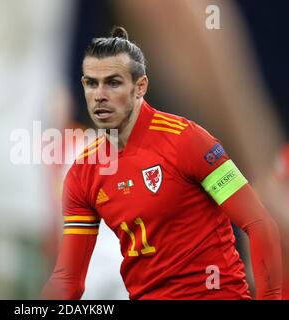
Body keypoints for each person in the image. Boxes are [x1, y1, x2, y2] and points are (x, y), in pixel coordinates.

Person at [41, 26, 282, 300]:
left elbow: (260, 222)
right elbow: (69, 280)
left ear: (139, 86)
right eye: (92, 84)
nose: (101, 96)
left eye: (114, 83)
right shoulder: (83, 172)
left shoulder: (189, 142)